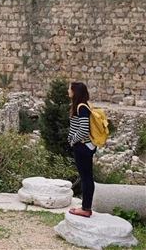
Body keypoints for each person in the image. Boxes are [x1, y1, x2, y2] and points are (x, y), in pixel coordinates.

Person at [67, 81, 95, 217]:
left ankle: (85, 208)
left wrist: (73, 140)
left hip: (82, 146)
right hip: (85, 146)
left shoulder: (81, 107)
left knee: (86, 178)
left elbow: (84, 129)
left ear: (75, 92)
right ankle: (86, 206)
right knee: (87, 177)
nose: (68, 91)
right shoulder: (83, 105)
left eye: (70, 89)